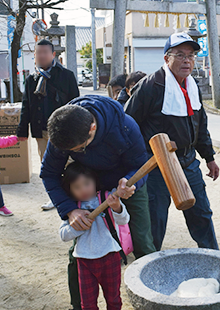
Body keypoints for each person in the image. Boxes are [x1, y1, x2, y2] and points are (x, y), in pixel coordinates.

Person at [40, 95, 155, 310]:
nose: (74, 153)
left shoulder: (125, 126)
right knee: (78, 251)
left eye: (79, 149)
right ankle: (79, 305)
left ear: (92, 127)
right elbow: (49, 173)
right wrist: (70, 210)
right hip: (87, 186)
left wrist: (130, 185)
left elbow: (140, 166)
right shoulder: (64, 129)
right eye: (70, 152)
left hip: (124, 185)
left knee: (142, 240)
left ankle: (153, 300)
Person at [125, 32, 220, 251]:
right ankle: (148, 264)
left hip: (188, 161)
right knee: (154, 218)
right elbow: (127, 123)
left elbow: (200, 125)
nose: (187, 60)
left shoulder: (192, 85)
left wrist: (209, 158)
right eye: (179, 54)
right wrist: (134, 160)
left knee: (201, 212)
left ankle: (212, 256)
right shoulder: (151, 85)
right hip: (156, 164)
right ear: (167, 58)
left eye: (190, 55)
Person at [17, 38, 79, 211]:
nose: (41, 56)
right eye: (38, 53)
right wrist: (22, 130)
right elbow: (26, 105)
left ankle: (73, 195)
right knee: (48, 165)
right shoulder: (31, 79)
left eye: (45, 52)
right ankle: (55, 198)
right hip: (41, 129)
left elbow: (76, 103)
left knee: (69, 164)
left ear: (53, 55)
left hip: (63, 130)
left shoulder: (66, 76)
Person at [59, 162, 129, 310]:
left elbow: (124, 221)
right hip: (84, 260)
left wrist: (117, 207)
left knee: (114, 299)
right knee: (88, 304)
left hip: (110, 256)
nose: (83, 189)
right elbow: (63, 235)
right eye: (77, 187)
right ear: (69, 190)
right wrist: (79, 227)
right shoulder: (72, 208)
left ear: (94, 181)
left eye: (86, 183)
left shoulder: (107, 197)